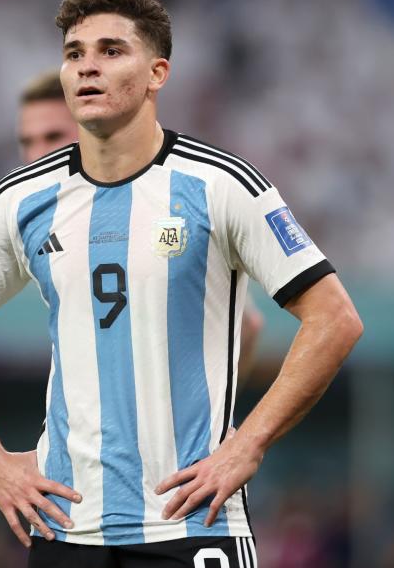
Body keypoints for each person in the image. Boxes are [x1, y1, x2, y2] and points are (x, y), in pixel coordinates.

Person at [0, 0, 363, 567]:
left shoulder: (219, 186)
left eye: (110, 51)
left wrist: (248, 445)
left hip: (190, 526)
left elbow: (333, 318)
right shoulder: (20, 201)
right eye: (75, 54)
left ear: (157, 73)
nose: (86, 68)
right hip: (66, 530)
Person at [17, 70, 266, 385]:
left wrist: (205, 414)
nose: (36, 154)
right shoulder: (25, 214)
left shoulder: (158, 204)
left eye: (53, 136)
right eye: (27, 141)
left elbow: (247, 325)